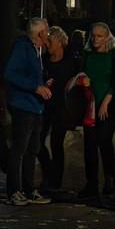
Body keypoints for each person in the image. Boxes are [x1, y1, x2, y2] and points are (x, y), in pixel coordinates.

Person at [2, 18, 53, 205]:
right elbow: (10, 73)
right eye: (46, 31)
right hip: (23, 106)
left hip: (34, 106)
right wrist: (35, 87)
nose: (48, 34)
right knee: (19, 150)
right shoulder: (23, 46)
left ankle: (29, 188)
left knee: (32, 149)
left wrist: (42, 84)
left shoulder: (33, 49)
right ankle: (14, 190)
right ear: (40, 33)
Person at [79, 21, 115, 198]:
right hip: (90, 103)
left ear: (107, 37)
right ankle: (91, 183)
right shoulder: (87, 53)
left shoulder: (114, 54)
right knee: (89, 143)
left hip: (109, 104)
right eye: (93, 35)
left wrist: (106, 100)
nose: (95, 39)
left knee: (104, 139)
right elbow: (81, 73)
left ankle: (110, 178)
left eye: (99, 35)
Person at [37, 26, 78, 192]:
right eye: (47, 42)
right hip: (45, 106)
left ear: (61, 42)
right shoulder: (44, 60)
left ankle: (55, 182)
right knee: (38, 141)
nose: (48, 45)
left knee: (56, 142)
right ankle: (49, 172)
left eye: (51, 42)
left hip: (62, 107)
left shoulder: (72, 60)